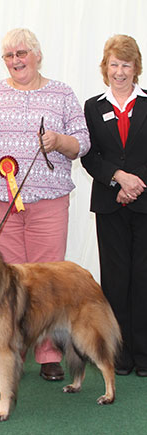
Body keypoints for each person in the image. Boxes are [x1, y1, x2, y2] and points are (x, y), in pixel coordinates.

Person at [0, 28, 90, 381]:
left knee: (46, 282)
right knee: (3, 284)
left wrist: (60, 140)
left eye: (22, 53)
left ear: (37, 55)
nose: (16, 60)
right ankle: (8, 350)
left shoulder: (62, 93)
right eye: (9, 56)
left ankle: (48, 353)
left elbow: (83, 142)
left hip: (48, 201)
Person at [81, 35, 147, 377]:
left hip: (144, 202)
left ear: (136, 68)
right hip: (109, 204)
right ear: (104, 68)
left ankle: (144, 354)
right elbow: (89, 155)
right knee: (115, 280)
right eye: (113, 65)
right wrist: (118, 178)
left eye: (126, 64)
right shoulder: (93, 106)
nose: (119, 72)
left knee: (144, 279)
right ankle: (119, 355)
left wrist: (134, 184)